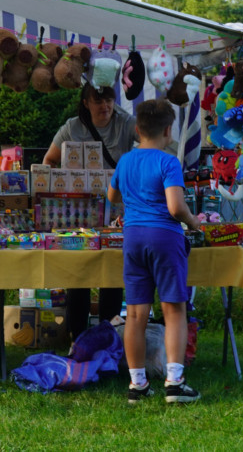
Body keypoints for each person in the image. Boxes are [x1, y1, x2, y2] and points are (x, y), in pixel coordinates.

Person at [107, 98, 201, 404]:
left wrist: (131, 203)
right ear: (169, 130)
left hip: (133, 237)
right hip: (165, 237)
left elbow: (112, 195)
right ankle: (174, 382)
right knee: (174, 309)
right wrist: (193, 221)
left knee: (134, 314)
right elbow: (175, 207)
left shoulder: (125, 161)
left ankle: (137, 385)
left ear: (136, 130)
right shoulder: (169, 162)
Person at [43, 83, 136, 338]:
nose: (105, 106)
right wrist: (57, 187)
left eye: (109, 99)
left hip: (116, 211)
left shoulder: (125, 123)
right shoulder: (72, 127)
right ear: (86, 102)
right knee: (79, 273)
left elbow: (149, 140)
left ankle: (107, 334)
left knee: (112, 273)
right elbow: (48, 160)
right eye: (98, 100)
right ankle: (78, 336)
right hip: (78, 212)